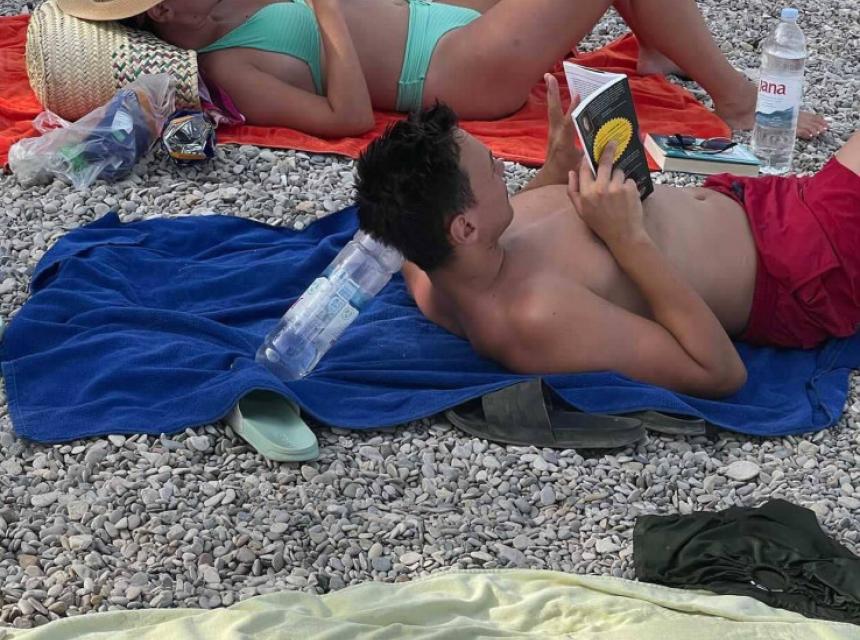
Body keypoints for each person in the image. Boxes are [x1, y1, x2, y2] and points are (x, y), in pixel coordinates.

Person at [354, 75, 860, 399]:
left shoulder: (430, 264)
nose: (502, 166)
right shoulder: (535, 317)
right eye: (490, 167)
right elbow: (720, 373)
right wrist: (627, 240)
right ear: (464, 227)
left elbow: (439, 227)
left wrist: (554, 168)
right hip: (802, 260)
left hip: (753, 203)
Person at [58, 0, 827, 138]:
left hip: (434, 15)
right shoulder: (233, 66)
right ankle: (737, 99)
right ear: (163, 11)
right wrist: (327, 13)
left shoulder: (221, 6)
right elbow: (346, 120)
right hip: (452, 71)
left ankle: (658, 38)